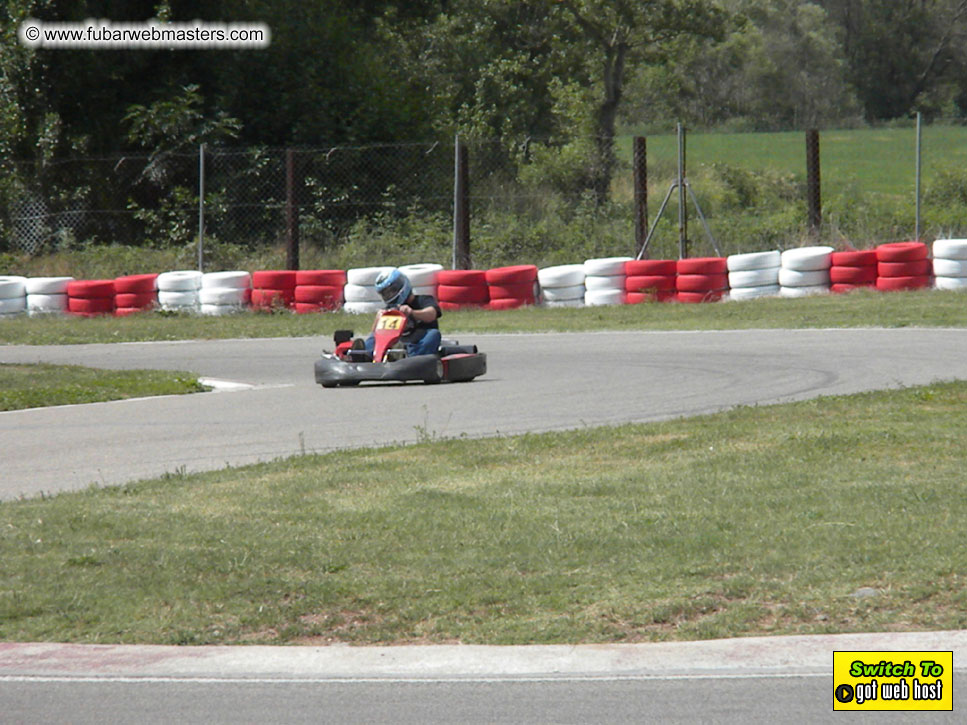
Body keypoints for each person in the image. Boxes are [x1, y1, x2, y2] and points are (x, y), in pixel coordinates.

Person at [361, 268, 442, 357]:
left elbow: (431, 314)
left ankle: (412, 358)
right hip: (396, 341)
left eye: (391, 291)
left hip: (417, 341)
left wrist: (412, 313)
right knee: (373, 337)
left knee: (433, 334)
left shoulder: (423, 300)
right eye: (386, 294)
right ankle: (364, 356)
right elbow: (375, 332)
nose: (389, 295)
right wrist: (378, 319)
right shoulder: (390, 309)